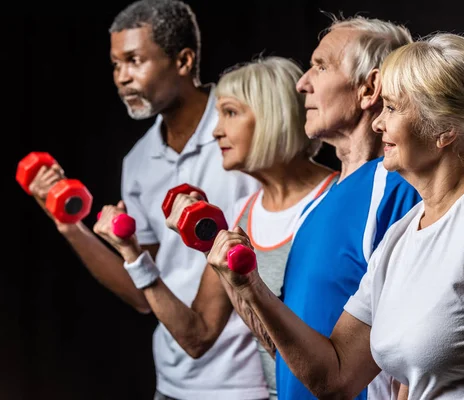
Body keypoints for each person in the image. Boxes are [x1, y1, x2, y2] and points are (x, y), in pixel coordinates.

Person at [207, 32, 464, 399]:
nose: (378, 122)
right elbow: (336, 375)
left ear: (444, 129)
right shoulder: (401, 236)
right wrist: (249, 286)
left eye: (392, 108)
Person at [27, 0, 267, 399]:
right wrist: (69, 226)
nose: (122, 78)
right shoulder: (138, 161)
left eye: (135, 61)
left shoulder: (244, 135)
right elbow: (143, 291)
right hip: (172, 382)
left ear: (184, 60)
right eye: (116, 65)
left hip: (247, 382)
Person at [96, 55, 339, 400]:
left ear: (272, 115)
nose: (216, 130)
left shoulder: (339, 198)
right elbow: (198, 336)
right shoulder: (243, 214)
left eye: (230, 113)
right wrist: (132, 253)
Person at [209, 14, 421, 400]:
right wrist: (235, 278)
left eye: (320, 66)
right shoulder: (319, 205)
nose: (301, 82)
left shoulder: (396, 187)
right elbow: (286, 348)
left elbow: (418, 346)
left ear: (369, 88)